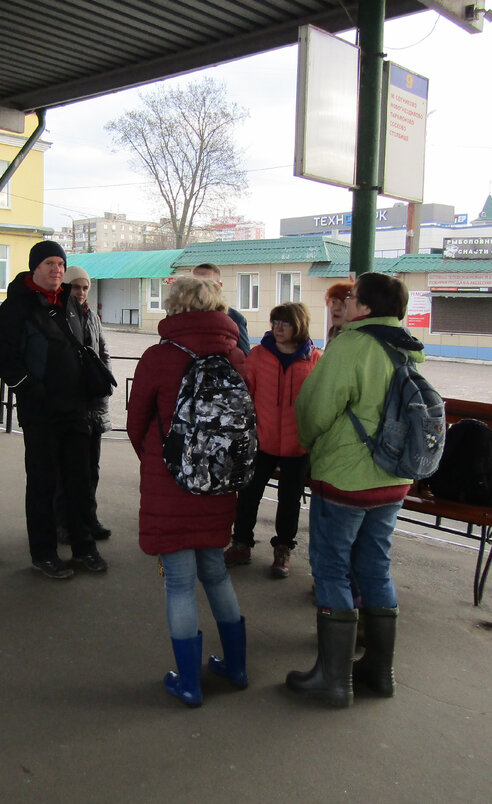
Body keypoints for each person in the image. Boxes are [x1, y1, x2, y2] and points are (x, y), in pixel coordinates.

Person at [287, 272, 421, 708]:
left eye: (354, 298)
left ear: (364, 307)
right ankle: (379, 673)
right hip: (392, 481)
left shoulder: (350, 344)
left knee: (331, 569)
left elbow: (314, 406)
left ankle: (332, 679)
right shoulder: (408, 347)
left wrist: (310, 444)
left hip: (346, 479)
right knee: (376, 569)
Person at [126, 276, 249, 707]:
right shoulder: (236, 354)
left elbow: (135, 423)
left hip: (170, 484)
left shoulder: (159, 357)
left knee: (179, 582)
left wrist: (160, 463)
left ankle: (190, 683)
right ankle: (236, 667)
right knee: (214, 570)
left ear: (174, 307)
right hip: (219, 484)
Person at [0, 240, 108, 580]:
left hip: (75, 409)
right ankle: (43, 553)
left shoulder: (69, 302)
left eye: (60, 263)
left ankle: (84, 546)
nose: (57, 269)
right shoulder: (16, 308)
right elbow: (1, 360)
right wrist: (31, 389)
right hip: (40, 411)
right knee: (42, 484)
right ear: (34, 268)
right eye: (49, 264)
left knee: (79, 481)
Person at [224, 301, 320, 578]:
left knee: (289, 500)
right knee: (249, 494)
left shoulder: (315, 359)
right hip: (262, 440)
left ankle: (283, 549)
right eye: (275, 321)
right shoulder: (258, 355)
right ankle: (241, 543)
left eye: (285, 323)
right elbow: (245, 395)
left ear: (298, 325)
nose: (278, 328)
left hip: (297, 444)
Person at [54, 265, 112, 545]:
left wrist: (104, 383)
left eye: (85, 287)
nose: (80, 292)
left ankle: (89, 518)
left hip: (93, 403)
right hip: (71, 403)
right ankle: (64, 522)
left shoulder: (92, 316)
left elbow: (103, 351)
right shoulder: (60, 314)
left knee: (92, 466)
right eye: (75, 286)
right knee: (67, 468)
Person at [191, 263, 250, 354]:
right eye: (196, 284)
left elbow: (244, 358)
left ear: (219, 286)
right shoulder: (177, 315)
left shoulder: (234, 318)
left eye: (208, 284)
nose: (201, 289)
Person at [323, 280, 353, 347]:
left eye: (344, 303)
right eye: (334, 302)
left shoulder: (357, 341)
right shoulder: (332, 337)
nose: (336, 308)